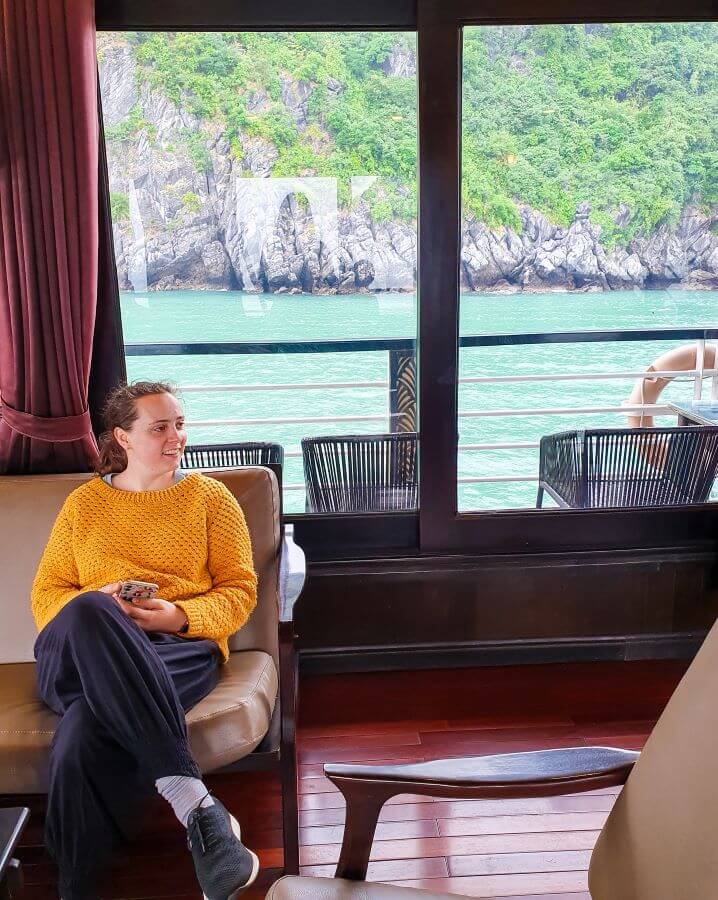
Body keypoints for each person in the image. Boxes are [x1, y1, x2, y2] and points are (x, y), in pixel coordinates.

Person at [31, 381, 260, 900]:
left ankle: (75, 885)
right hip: (77, 653)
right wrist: (106, 603)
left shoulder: (210, 499)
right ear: (123, 437)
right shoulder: (84, 504)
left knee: (83, 730)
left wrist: (175, 617)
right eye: (160, 427)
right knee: (89, 607)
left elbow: (240, 593)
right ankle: (195, 804)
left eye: (179, 424)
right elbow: (46, 595)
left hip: (174, 651)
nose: (176, 436)